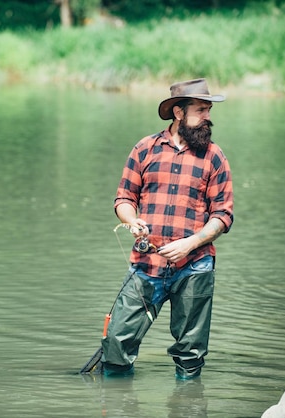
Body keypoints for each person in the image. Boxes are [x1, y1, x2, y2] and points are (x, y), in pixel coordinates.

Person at [101, 78, 234, 379]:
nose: (208, 117)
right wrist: (131, 220)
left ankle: (187, 401)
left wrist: (190, 244)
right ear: (178, 112)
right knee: (116, 346)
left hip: (195, 268)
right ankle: (115, 401)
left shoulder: (215, 157)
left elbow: (223, 215)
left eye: (209, 110)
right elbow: (124, 198)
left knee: (191, 355)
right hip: (146, 265)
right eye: (201, 110)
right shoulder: (145, 149)